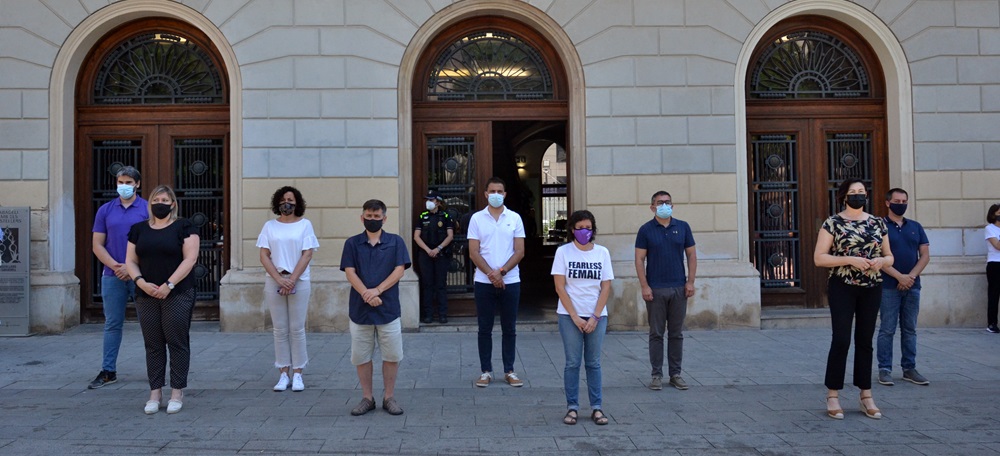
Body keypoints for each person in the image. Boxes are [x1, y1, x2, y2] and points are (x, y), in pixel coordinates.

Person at [814, 179, 894, 420]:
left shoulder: (878, 222)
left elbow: (889, 256)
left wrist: (881, 262)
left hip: (872, 286)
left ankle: (866, 394)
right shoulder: (833, 223)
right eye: (853, 192)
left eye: (861, 192)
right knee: (841, 339)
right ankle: (832, 395)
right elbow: (820, 258)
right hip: (842, 286)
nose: (858, 195)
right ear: (843, 196)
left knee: (865, 340)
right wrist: (849, 259)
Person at [125, 185, 200, 415]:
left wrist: (169, 285)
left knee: (176, 341)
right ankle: (155, 393)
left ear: (173, 204)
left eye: (165, 199)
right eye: (156, 199)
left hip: (177, 293)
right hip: (145, 294)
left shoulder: (184, 226)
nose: (160, 203)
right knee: (153, 344)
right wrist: (140, 282)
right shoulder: (138, 229)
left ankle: (177, 392)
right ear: (150, 204)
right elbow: (130, 260)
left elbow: (190, 259)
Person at [340, 199, 410, 416]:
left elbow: (399, 270)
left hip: (387, 309)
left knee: (391, 356)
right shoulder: (352, 243)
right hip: (360, 311)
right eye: (368, 217)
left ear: (384, 218)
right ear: (362, 218)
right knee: (361, 356)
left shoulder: (396, 242)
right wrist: (366, 294)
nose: (372, 220)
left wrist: (377, 291)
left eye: (376, 217)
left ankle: (389, 397)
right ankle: (367, 397)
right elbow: (350, 272)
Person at [89, 166, 148, 389]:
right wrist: (116, 266)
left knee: (149, 324)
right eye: (120, 182)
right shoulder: (105, 210)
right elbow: (97, 244)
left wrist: (131, 267)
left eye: (128, 182)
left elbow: (151, 242)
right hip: (112, 275)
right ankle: (108, 370)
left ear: (137, 184)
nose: (124, 186)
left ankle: (155, 370)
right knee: (112, 324)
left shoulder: (147, 209)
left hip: (141, 276)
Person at [552, 210, 613, 426]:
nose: (584, 232)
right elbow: (560, 287)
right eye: (579, 228)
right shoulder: (563, 252)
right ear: (572, 230)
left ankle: (597, 408)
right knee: (572, 363)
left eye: (588, 228)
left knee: (594, 363)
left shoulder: (602, 253)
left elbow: (606, 286)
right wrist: (576, 317)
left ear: (593, 229)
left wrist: (595, 316)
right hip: (569, 316)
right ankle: (572, 408)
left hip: (597, 315)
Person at [257, 186, 319, 392]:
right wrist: (278, 278)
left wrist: (291, 279)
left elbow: (307, 254)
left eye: (291, 199)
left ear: (297, 203)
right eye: (283, 199)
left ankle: (299, 372)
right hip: (275, 280)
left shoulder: (305, 225)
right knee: (280, 329)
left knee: (297, 328)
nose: (287, 203)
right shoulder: (269, 226)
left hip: (299, 281)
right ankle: (283, 372)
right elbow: (264, 254)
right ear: (277, 203)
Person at [634, 191, 697, 391]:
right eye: (660, 202)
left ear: (672, 205)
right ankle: (656, 375)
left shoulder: (683, 227)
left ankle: (675, 374)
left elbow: (692, 256)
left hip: (679, 288)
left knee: (676, 334)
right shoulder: (645, 230)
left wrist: (690, 282)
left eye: (667, 202)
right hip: (656, 290)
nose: (664, 205)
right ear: (652, 207)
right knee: (656, 333)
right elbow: (639, 259)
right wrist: (644, 286)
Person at [467, 177, 526, 388]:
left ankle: (509, 370)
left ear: (505, 194)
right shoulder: (476, 219)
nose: (496, 194)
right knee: (485, 328)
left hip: (511, 280)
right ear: (485, 194)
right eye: (492, 190)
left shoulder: (515, 218)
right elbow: (474, 252)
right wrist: (491, 275)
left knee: (509, 327)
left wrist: (501, 272)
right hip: (483, 282)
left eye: (500, 191)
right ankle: (485, 371)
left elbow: (520, 251)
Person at [877, 188, 930, 386]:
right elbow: (878, 257)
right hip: (888, 286)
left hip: (913, 286)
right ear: (888, 203)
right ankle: (885, 369)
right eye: (897, 200)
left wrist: (911, 277)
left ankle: (909, 368)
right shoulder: (879, 226)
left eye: (905, 200)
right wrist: (899, 277)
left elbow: (924, 255)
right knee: (887, 329)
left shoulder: (915, 226)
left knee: (910, 329)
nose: (902, 203)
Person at [413, 190, 454, 324]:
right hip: (425, 255)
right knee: (427, 285)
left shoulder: (445, 216)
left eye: (431, 199)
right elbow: (416, 237)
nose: (428, 202)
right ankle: (428, 315)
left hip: (441, 254)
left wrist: (438, 249)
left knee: (441, 285)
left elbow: (450, 236)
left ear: (438, 201)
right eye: (428, 199)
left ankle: (443, 314)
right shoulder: (423, 216)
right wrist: (428, 250)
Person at [986, 203, 1000, 333]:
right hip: (995, 264)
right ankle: (992, 323)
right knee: (994, 294)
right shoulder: (990, 229)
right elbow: (997, 246)